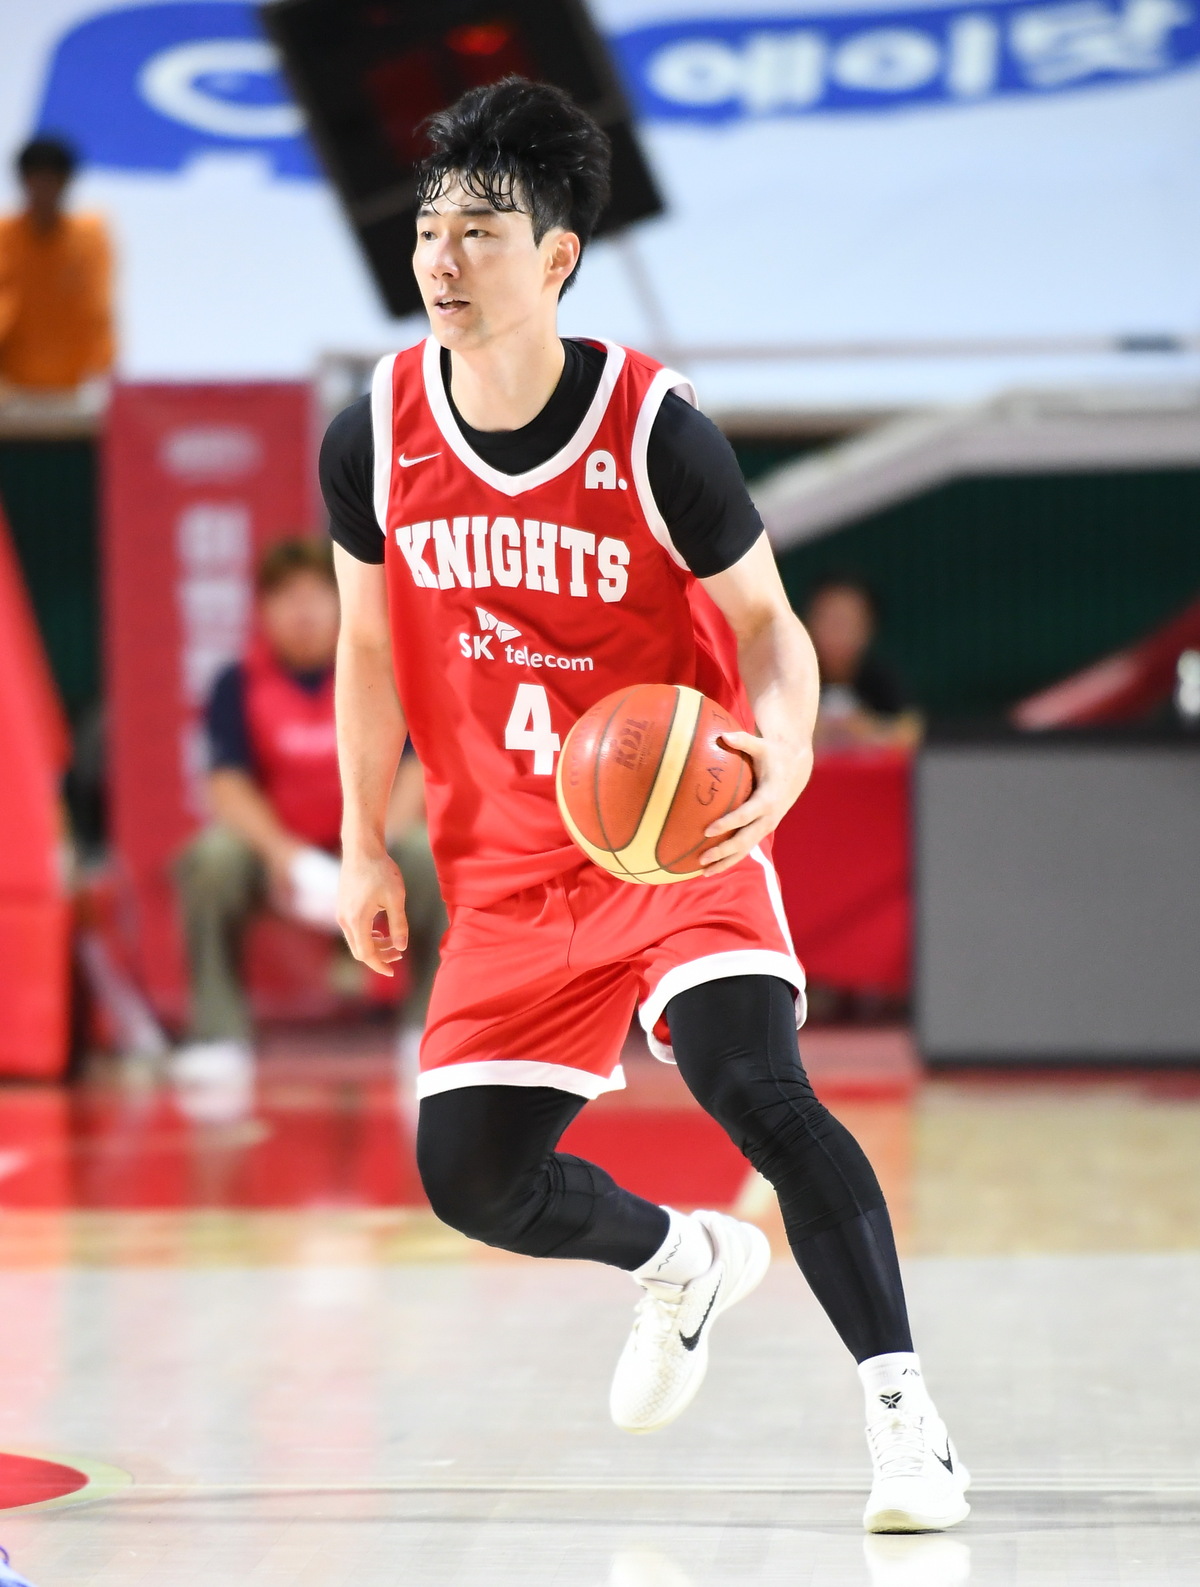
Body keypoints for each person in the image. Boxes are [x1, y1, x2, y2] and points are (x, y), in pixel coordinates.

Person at [322, 79, 968, 1534]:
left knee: (760, 1092)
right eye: (428, 229)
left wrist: (784, 751)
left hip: (674, 840)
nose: (441, 258)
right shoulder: (374, 432)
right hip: (505, 867)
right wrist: (364, 838)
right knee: (471, 1178)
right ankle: (682, 1261)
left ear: (557, 256)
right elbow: (367, 645)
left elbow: (771, 626)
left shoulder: (654, 429)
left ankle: (906, 1418)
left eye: (480, 231)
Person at [174, 539, 445, 1092]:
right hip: (282, 860)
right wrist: (290, 859)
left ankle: (429, 1028)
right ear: (263, 609)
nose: (302, 612)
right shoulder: (237, 684)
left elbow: (415, 768)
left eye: (317, 595)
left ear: (344, 599)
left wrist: (370, 850)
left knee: (432, 855)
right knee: (210, 859)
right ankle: (219, 1035)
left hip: (375, 844)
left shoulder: (384, 670)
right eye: (286, 597)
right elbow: (227, 784)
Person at [0, 137, 114, 398]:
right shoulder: (4, 236)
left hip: (74, 383)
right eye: (36, 179)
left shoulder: (89, 236)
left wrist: (101, 371)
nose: (44, 189)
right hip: (12, 385)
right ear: (23, 181)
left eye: (52, 180)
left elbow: (98, 307)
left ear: (66, 182)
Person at [804, 578, 922, 749]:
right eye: (830, 620)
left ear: (867, 626)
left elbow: (910, 730)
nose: (838, 632)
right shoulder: (793, 676)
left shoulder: (882, 678)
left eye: (847, 622)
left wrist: (865, 728)